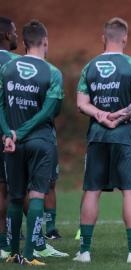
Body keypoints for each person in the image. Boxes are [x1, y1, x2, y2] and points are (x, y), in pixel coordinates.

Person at [73, 17, 131, 263]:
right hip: (124, 136)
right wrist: (119, 116)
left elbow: (81, 104)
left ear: (103, 38)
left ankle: (84, 251)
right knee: (130, 193)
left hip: (97, 136)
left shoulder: (89, 66)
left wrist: (101, 115)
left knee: (91, 191)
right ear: (125, 38)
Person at [0, 20, 65, 265]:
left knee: (15, 197)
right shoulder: (53, 72)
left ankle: (13, 253)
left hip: (13, 143)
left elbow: (1, 104)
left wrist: (9, 132)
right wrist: (24, 131)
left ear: (24, 43)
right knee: (37, 195)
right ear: (45, 42)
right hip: (41, 142)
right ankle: (29, 255)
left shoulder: (7, 69)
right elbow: (49, 111)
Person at [0, 16, 19, 260]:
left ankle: (3, 240)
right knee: (17, 189)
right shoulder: (18, 62)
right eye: (14, 32)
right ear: (6, 35)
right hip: (11, 133)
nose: (17, 36)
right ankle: (34, 241)